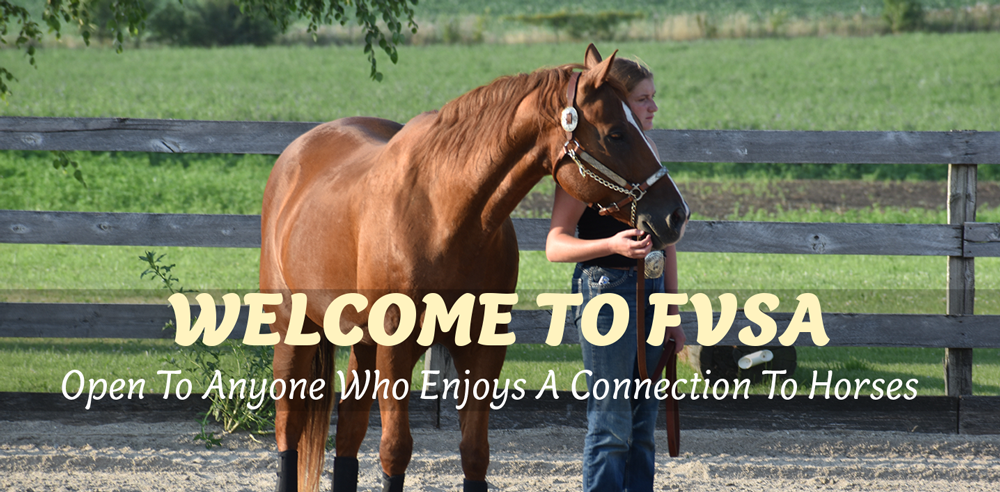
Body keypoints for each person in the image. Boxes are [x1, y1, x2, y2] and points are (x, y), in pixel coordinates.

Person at [545, 57, 686, 492]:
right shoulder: (587, 164)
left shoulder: (649, 154)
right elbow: (555, 244)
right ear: (620, 103)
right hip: (606, 293)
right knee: (610, 423)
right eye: (643, 99)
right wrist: (612, 245)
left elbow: (668, 239)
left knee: (643, 423)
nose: (653, 107)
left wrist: (673, 311)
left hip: (651, 288)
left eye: (653, 98)